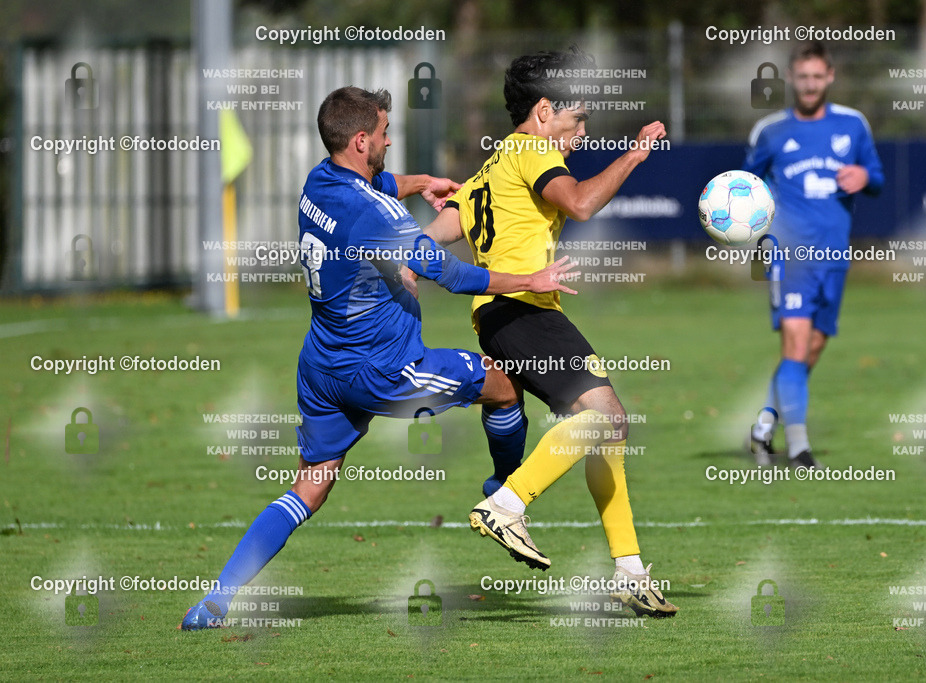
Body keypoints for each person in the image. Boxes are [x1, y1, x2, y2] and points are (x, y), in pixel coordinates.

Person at [181, 86, 578, 630]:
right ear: (362, 139)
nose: (390, 141)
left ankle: (215, 600)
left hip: (322, 369)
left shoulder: (319, 182)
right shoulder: (379, 217)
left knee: (311, 485)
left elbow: (380, 184)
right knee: (503, 382)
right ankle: (507, 494)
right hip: (386, 371)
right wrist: (530, 279)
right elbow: (451, 273)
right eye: (386, 133)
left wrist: (424, 183)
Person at [423, 47, 676, 618]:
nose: (582, 132)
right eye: (576, 117)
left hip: (502, 317)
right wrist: (635, 154)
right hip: (525, 312)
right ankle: (506, 505)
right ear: (542, 112)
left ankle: (630, 571)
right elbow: (581, 203)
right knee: (606, 419)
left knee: (606, 428)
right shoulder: (534, 151)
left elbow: (427, 240)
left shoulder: (489, 167)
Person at [744, 41, 884, 468]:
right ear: (791, 79)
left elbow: (876, 178)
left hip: (835, 255)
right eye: (802, 77)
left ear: (830, 77)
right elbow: (743, 188)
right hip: (789, 255)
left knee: (813, 347)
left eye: (816, 77)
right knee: (796, 343)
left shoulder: (853, 125)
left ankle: (764, 426)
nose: (809, 85)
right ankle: (801, 447)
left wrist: (864, 175)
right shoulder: (770, 131)